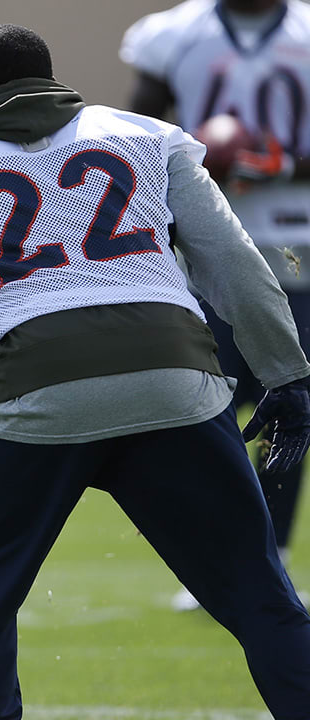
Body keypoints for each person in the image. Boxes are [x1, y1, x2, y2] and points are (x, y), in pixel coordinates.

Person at [0, 24, 310, 719]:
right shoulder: (149, 136)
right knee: (266, 604)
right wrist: (287, 374)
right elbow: (237, 269)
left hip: (39, 397)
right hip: (176, 381)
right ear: (51, 80)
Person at [121, 0, 310, 612]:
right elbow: (133, 135)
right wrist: (194, 166)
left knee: (289, 405)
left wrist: (283, 163)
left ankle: (270, 557)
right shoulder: (173, 34)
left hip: (298, 247)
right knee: (205, 409)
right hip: (205, 248)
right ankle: (219, 558)